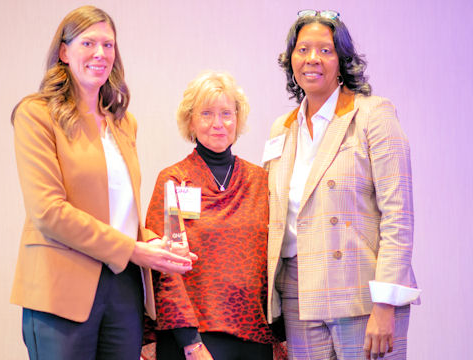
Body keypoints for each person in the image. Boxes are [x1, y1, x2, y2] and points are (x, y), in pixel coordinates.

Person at [10, 6, 194, 359]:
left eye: (108, 45)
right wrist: (135, 251)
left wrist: (157, 244)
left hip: (122, 289)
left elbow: (120, 212)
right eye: (88, 43)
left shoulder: (124, 123)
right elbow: (48, 212)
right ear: (64, 52)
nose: (100, 54)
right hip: (60, 289)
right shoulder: (36, 114)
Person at [265, 10, 421, 360]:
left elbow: (398, 215)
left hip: (362, 293)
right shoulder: (282, 128)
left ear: (342, 60)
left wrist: (385, 304)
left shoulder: (373, 116)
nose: (312, 59)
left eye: (325, 50)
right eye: (303, 49)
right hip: (297, 294)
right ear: (290, 59)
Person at [145, 71, 278, 360]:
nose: (218, 123)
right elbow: (163, 268)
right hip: (193, 340)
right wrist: (190, 342)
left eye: (226, 113)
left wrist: (281, 336)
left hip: (256, 337)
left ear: (238, 119)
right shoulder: (174, 180)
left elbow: (275, 260)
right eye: (207, 113)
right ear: (190, 120)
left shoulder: (261, 181)